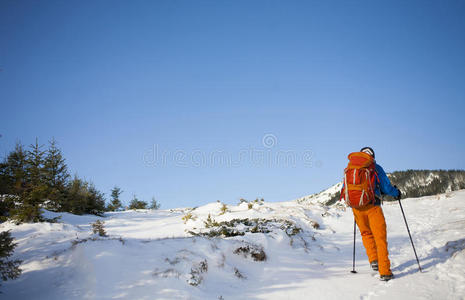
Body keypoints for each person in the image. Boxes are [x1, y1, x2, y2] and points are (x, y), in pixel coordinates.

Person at [352, 147, 401, 281]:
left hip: (356, 207)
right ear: (372, 156)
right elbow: (386, 187)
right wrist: (396, 193)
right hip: (373, 205)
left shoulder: (353, 167)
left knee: (366, 234)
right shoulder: (375, 167)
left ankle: (374, 260)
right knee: (380, 238)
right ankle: (385, 271)